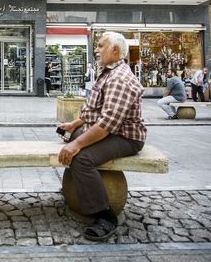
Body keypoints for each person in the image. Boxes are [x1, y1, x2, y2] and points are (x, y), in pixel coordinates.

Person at [57, 32, 146, 242]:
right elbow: (94, 111)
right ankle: (81, 188)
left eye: (100, 46)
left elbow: (107, 125)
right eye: (96, 46)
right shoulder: (107, 72)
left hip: (125, 137)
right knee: (71, 138)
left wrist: (77, 144)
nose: (96, 50)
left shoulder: (120, 79)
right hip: (110, 130)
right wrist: (74, 125)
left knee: (81, 158)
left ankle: (105, 216)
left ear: (115, 51)